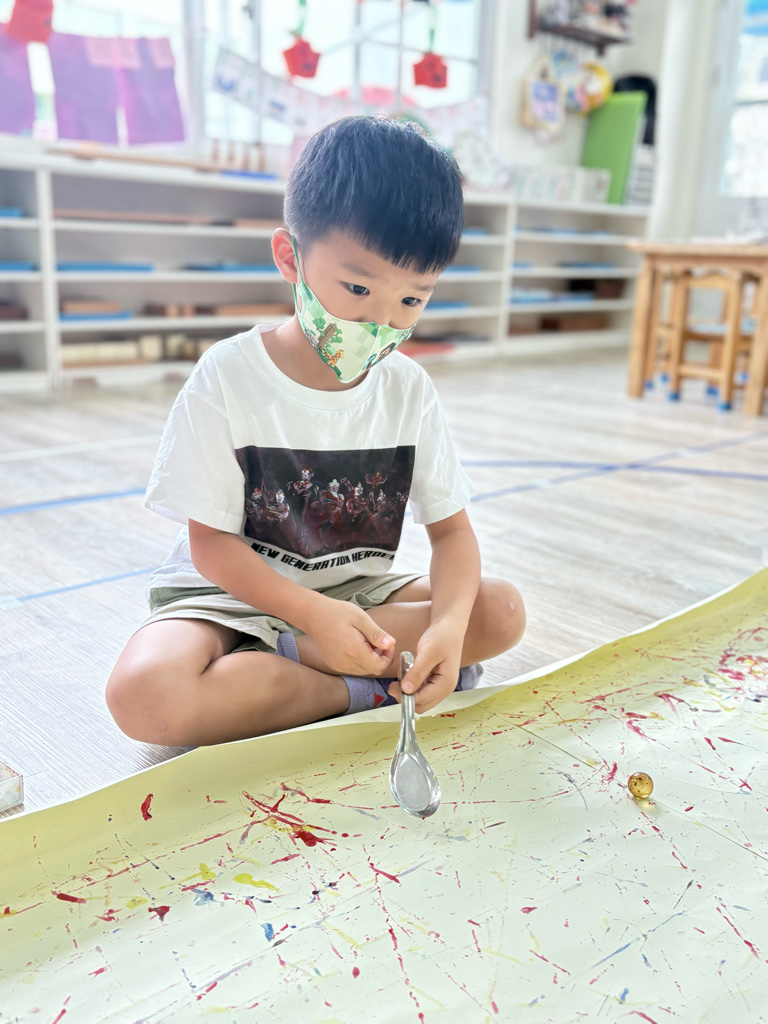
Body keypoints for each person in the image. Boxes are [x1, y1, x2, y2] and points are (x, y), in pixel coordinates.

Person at [105, 116, 525, 748]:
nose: (381, 322)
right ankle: (359, 690)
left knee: (499, 610)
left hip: (355, 593)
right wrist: (310, 616)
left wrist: (447, 627)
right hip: (231, 597)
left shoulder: (407, 389)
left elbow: (453, 535)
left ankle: (309, 670)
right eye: (357, 287)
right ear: (290, 258)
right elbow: (211, 547)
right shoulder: (229, 375)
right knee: (145, 695)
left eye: (412, 300)